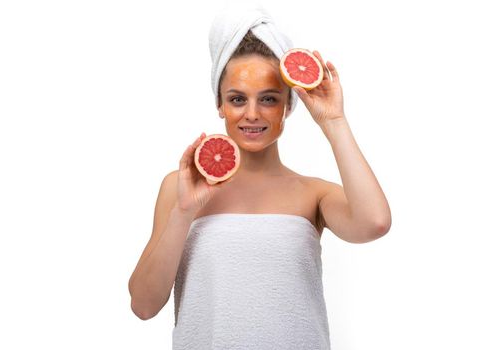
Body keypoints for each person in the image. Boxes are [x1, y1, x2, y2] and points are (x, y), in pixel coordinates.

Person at [127, 6, 392, 349]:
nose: (252, 114)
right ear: (220, 104)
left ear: (288, 106)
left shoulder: (313, 194)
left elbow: (375, 222)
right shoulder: (179, 188)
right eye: (237, 99)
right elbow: (144, 305)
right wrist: (184, 212)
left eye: (268, 99)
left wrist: (333, 121)